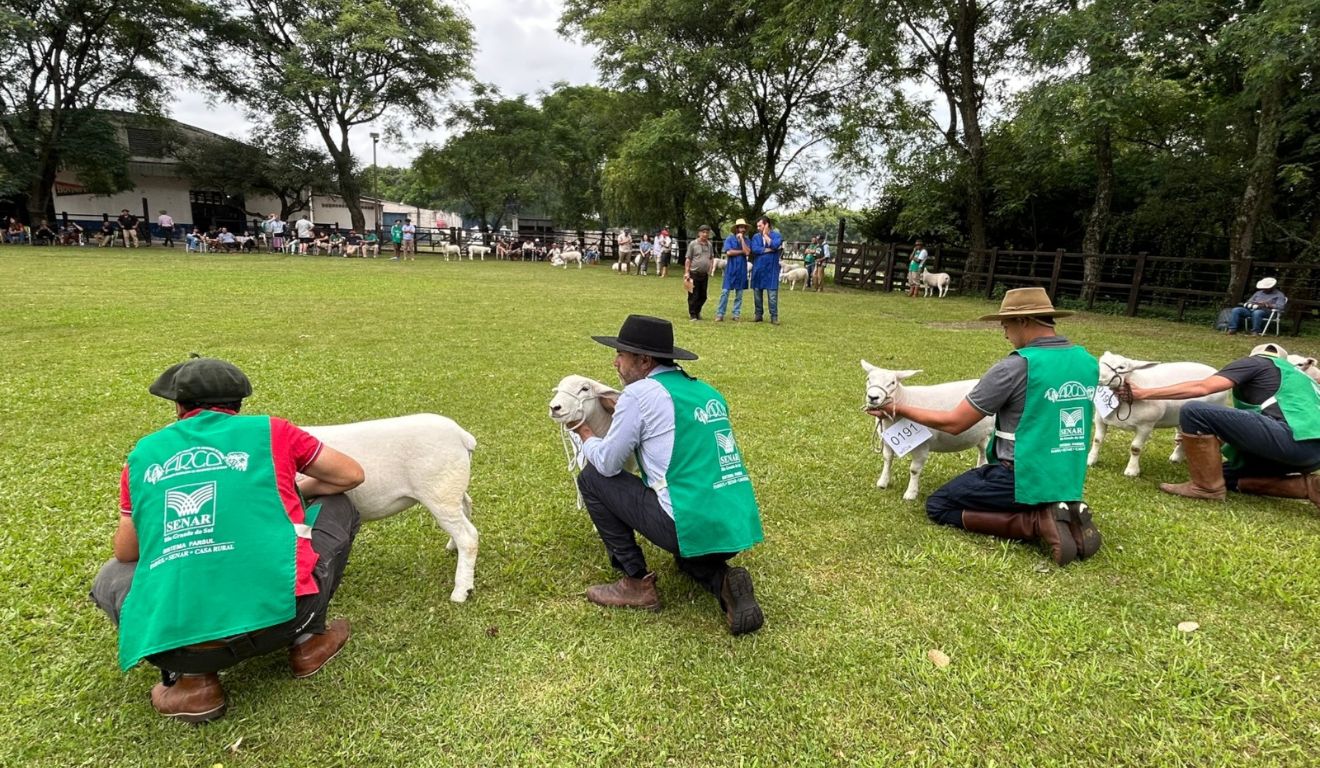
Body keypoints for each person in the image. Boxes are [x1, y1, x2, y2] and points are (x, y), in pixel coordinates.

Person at [89, 357, 365, 723]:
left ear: (178, 406)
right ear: (238, 405)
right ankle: (308, 642)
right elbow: (350, 474)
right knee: (336, 504)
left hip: (181, 647)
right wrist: (293, 491)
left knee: (112, 574)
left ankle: (194, 684)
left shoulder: (143, 455)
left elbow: (127, 551)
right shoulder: (273, 431)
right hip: (286, 618)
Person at [867, 287, 1102, 566]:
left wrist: (897, 408)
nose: (1005, 334)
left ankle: (1037, 522)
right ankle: (1060, 509)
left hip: (1021, 476)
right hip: (1069, 476)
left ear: (1024, 322)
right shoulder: (1088, 362)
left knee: (938, 504)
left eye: (1006, 325)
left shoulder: (1015, 367)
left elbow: (955, 424)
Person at [570, 315, 766, 634]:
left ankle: (635, 582)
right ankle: (724, 581)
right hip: (735, 525)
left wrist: (585, 433)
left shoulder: (640, 394)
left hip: (684, 524)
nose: (615, 362)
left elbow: (608, 463)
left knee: (593, 478)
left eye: (622, 354)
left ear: (645, 360)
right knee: (687, 558)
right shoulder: (707, 391)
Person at [1118, 342, 1320, 509]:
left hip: (1291, 439)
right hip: (1310, 456)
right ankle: (1308, 487)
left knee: (1194, 411)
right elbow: (1262, 423)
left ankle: (1206, 488)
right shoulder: (1301, 378)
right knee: (1221, 475)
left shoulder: (1256, 362)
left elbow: (1203, 387)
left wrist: (1143, 393)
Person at [749, 216, 784, 324]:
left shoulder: (776, 235)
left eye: (760, 226)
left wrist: (765, 235)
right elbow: (754, 249)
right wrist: (768, 250)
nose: (758, 228)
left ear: (767, 225)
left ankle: (774, 316)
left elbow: (774, 244)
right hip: (758, 269)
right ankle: (758, 315)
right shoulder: (755, 237)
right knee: (757, 294)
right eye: (757, 226)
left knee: (772, 295)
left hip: (771, 269)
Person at [716, 219, 751, 321]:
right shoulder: (729, 239)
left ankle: (736, 314)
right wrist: (742, 251)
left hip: (741, 270)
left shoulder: (747, 240)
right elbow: (729, 253)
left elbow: (748, 252)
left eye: (744, 227)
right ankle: (720, 313)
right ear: (736, 229)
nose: (743, 229)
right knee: (725, 292)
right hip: (731, 269)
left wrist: (742, 241)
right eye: (741, 227)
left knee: (739, 294)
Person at [684, 224, 716, 321]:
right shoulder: (693, 244)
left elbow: (711, 257)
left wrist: (710, 268)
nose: (705, 234)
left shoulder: (709, 245)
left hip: (704, 274)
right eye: (703, 232)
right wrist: (687, 272)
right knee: (693, 295)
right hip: (694, 273)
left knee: (703, 296)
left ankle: (697, 311)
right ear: (699, 233)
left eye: (707, 232)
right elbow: (688, 259)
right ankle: (693, 314)